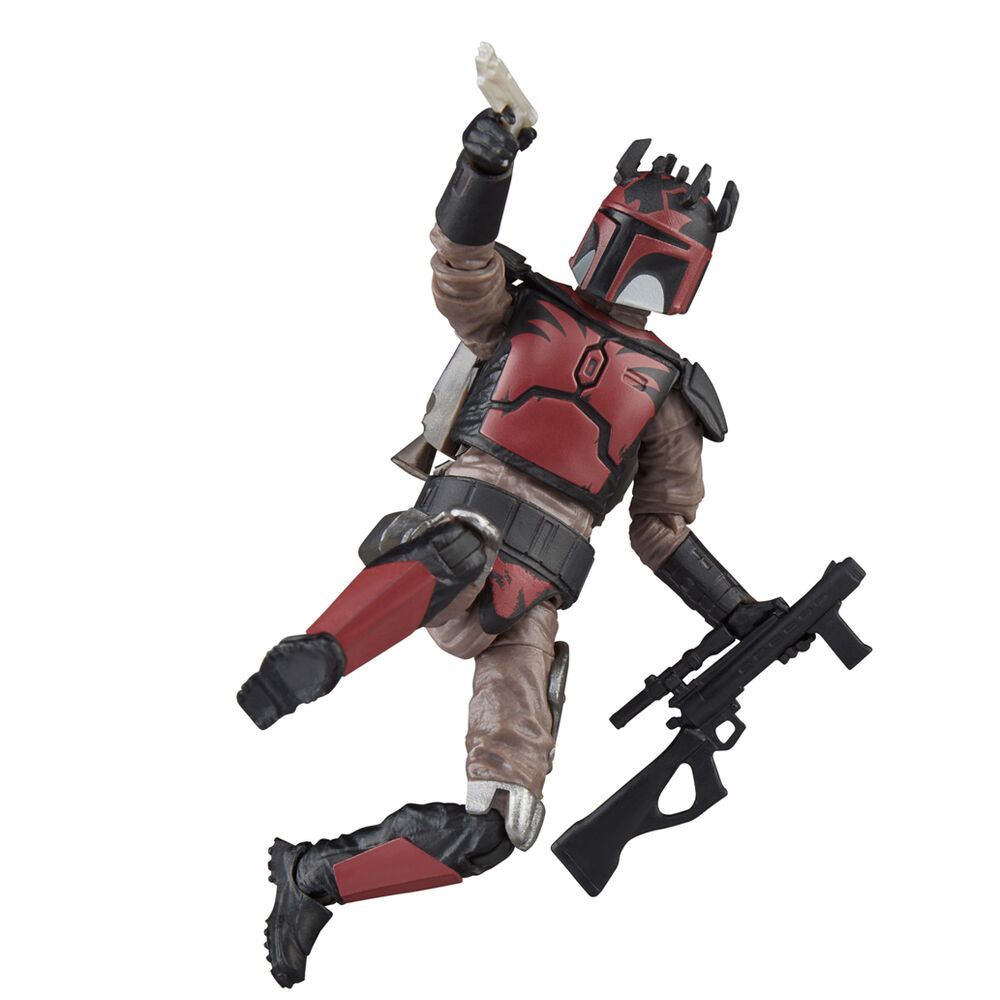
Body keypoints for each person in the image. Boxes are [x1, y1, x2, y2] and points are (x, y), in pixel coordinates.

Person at [237, 108, 784, 989]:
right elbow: (461, 266)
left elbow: (662, 526)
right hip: (458, 533)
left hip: (536, 596)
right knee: (461, 549)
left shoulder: (670, 395)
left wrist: (739, 613)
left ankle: (315, 877)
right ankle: (313, 656)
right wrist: (483, 171)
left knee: (501, 825)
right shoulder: (525, 308)